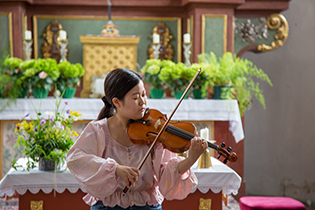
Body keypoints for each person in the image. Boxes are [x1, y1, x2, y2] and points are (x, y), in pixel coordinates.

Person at [66, 68, 208, 210]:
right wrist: (115, 169)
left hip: (147, 205)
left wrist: (191, 159)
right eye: (135, 97)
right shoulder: (98, 130)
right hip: (107, 206)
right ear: (117, 102)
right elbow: (75, 158)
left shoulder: (155, 132)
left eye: (144, 95)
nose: (142, 102)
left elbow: (165, 175)